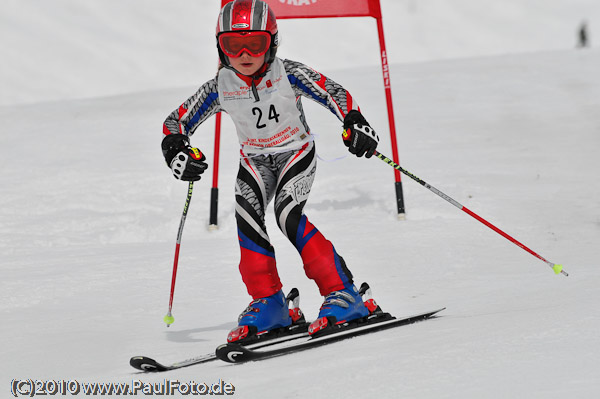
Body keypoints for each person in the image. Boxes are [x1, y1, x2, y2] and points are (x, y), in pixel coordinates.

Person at [161, 0, 380, 342]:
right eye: (234, 45)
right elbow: (176, 121)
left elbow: (334, 93)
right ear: (221, 47)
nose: (245, 53)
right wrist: (176, 148)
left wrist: (354, 122)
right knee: (247, 218)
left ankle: (343, 293)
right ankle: (269, 301)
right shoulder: (221, 85)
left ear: (272, 43)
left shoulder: (288, 73)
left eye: (256, 44)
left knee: (287, 215)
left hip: (295, 152)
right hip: (254, 160)